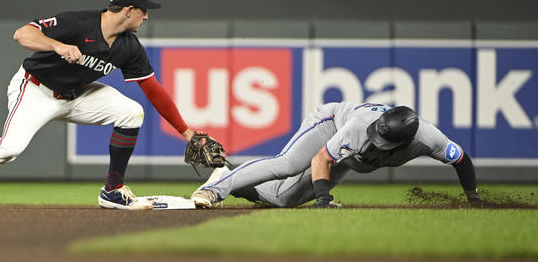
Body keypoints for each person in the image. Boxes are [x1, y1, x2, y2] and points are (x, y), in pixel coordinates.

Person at [0, 0, 204, 210]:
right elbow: (22, 34)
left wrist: (186, 132)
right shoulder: (80, 22)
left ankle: (113, 191)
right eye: (144, 10)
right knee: (9, 149)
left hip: (77, 95)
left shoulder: (130, 48)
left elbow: (153, 90)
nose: (146, 16)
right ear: (128, 10)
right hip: (36, 89)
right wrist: (57, 46)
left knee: (132, 112)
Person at [191, 102, 481, 208]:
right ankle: (215, 189)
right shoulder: (358, 127)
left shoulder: (429, 138)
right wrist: (323, 198)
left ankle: (235, 181)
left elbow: (462, 159)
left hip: (353, 157)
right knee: (288, 164)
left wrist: (473, 197)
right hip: (331, 124)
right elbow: (321, 160)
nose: (376, 139)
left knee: (283, 199)